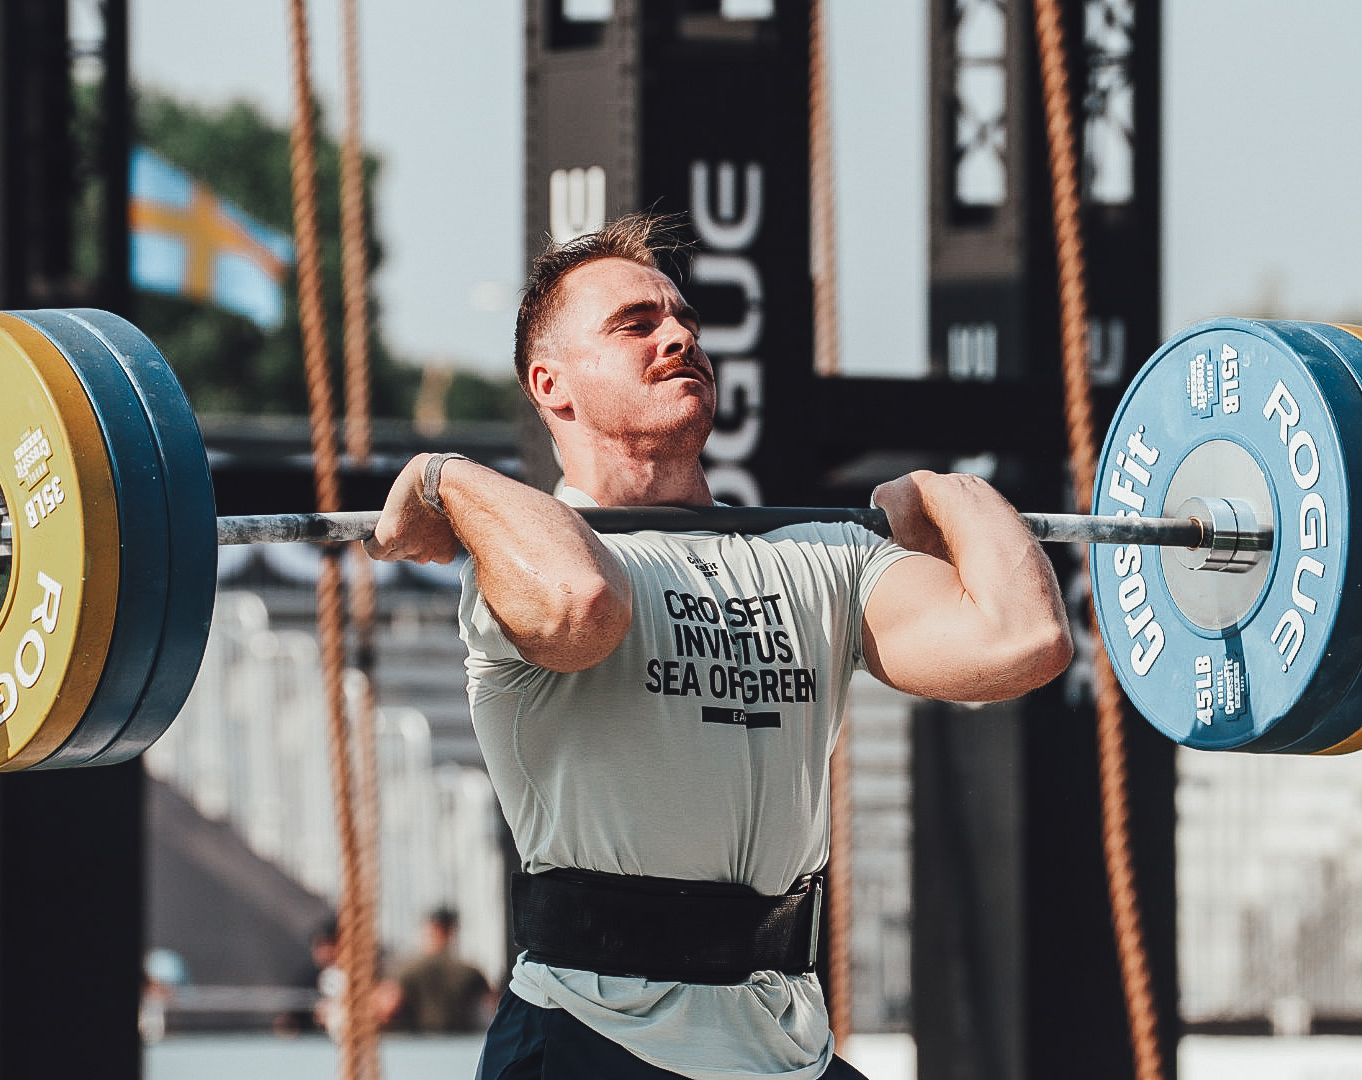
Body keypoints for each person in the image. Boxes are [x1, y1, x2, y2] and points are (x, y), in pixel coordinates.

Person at [364, 213, 1072, 1080]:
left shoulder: (824, 556)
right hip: (594, 1036)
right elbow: (583, 606)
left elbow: (1024, 636)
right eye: (637, 325)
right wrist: (447, 475)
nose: (679, 337)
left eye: (684, 319)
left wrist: (945, 489)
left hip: (784, 1043)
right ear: (552, 384)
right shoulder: (522, 565)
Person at [380, 906, 496, 1033]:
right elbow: (495, 1009)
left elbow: (387, 1009)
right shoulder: (470, 971)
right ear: (452, 931)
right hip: (458, 1043)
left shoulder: (403, 968)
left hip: (414, 1043)